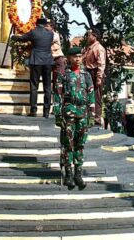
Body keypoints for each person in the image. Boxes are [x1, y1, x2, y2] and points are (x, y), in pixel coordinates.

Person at [54, 46, 95, 190]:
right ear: (69, 58)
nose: (77, 59)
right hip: (69, 112)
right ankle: (69, 175)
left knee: (80, 144)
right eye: (74, 57)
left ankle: (79, 174)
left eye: (79, 56)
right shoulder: (64, 75)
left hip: (83, 113)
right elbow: (58, 95)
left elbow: (91, 95)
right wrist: (58, 114)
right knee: (68, 144)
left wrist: (92, 115)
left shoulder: (86, 75)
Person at [11, 17, 55, 117]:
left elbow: (22, 38)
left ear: (36, 23)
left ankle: (33, 110)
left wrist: (13, 37)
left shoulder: (34, 32)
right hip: (48, 61)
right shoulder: (50, 34)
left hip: (36, 61)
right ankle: (46, 112)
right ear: (44, 24)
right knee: (47, 87)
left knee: (34, 86)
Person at [82, 29, 106, 125]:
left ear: (94, 36)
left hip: (95, 72)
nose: (87, 37)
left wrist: (99, 77)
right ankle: (89, 116)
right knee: (87, 94)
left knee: (97, 96)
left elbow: (101, 64)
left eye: (89, 35)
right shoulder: (89, 48)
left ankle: (97, 118)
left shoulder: (98, 48)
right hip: (88, 72)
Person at [46, 20, 66, 93]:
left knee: (58, 81)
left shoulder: (55, 35)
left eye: (47, 26)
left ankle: (59, 101)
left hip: (58, 60)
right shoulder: (46, 34)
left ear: (52, 27)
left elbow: (48, 41)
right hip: (49, 60)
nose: (45, 27)